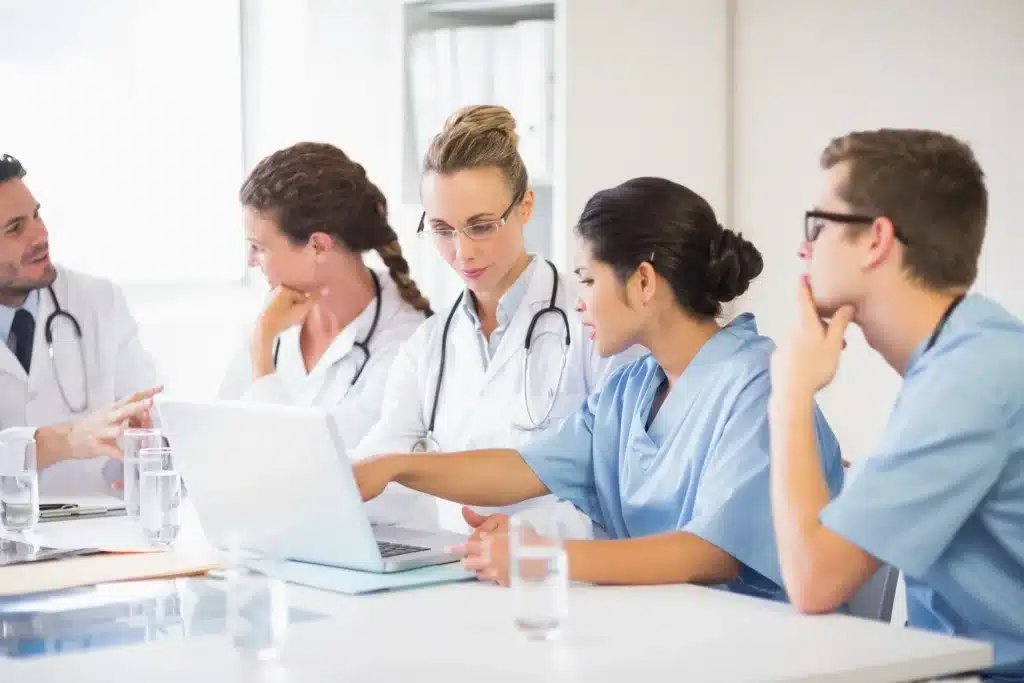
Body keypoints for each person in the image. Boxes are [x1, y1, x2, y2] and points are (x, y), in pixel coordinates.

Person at [355, 176, 844, 595]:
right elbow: (521, 468)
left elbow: (713, 554)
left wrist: (547, 557)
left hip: (759, 647)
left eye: (588, 281)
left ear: (644, 282)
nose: (580, 301)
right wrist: (397, 466)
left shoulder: (755, 382)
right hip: (667, 635)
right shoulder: (634, 388)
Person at [768, 129, 1024, 680]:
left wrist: (789, 392)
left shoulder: (973, 375)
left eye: (819, 225)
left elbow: (814, 579)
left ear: (876, 240)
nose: (802, 248)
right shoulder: (963, 356)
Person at [354, 105, 643, 534]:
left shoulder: (591, 321)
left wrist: (537, 533)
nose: (462, 252)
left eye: (482, 226)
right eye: (442, 229)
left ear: (525, 205)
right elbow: (376, 469)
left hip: (563, 582)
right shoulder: (428, 345)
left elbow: (624, 487)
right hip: (451, 577)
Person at [219, 142, 433, 450]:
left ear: (319, 246)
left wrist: (262, 346)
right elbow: (220, 430)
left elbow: (301, 458)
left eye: (260, 247)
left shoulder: (407, 341)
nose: (252, 261)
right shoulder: (278, 313)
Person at [0, 153, 160, 496]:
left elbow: (153, 420)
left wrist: (140, 446)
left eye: (37, 215)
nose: (40, 234)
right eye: (15, 228)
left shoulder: (98, 300)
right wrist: (65, 440)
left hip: (96, 526)